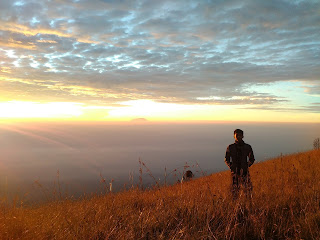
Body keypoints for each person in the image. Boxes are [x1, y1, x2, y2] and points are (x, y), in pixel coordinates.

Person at [224, 129, 255, 198]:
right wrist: (231, 166)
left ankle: (249, 204)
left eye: (240, 135)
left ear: (243, 136)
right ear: (234, 136)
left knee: (248, 191)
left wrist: (246, 166)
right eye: (237, 135)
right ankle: (235, 206)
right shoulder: (230, 147)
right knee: (235, 191)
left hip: (244, 171)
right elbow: (226, 159)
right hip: (234, 172)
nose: (238, 136)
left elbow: (252, 159)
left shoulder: (247, 147)